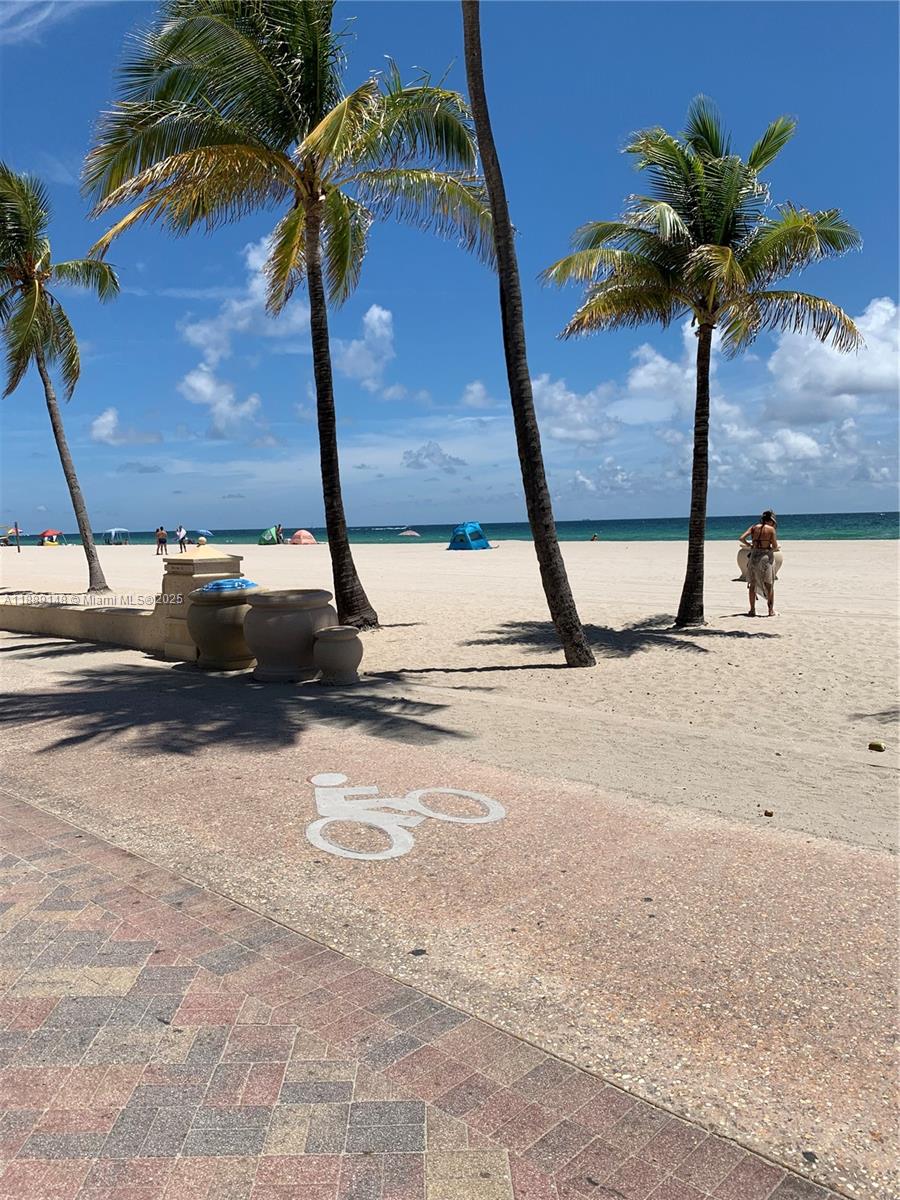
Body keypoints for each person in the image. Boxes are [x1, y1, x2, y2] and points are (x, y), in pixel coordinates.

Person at [739, 510, 780, 617]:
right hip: (765, 557)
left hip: (754, 557)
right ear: (770, 520)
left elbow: (741, 538)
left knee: (752, 584)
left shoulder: (753, 528)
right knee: (769, 584)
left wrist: (750, 545)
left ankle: (752, 610)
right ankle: (770, 611)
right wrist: (770, 547)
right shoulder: (771, 530)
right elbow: (775, 546)